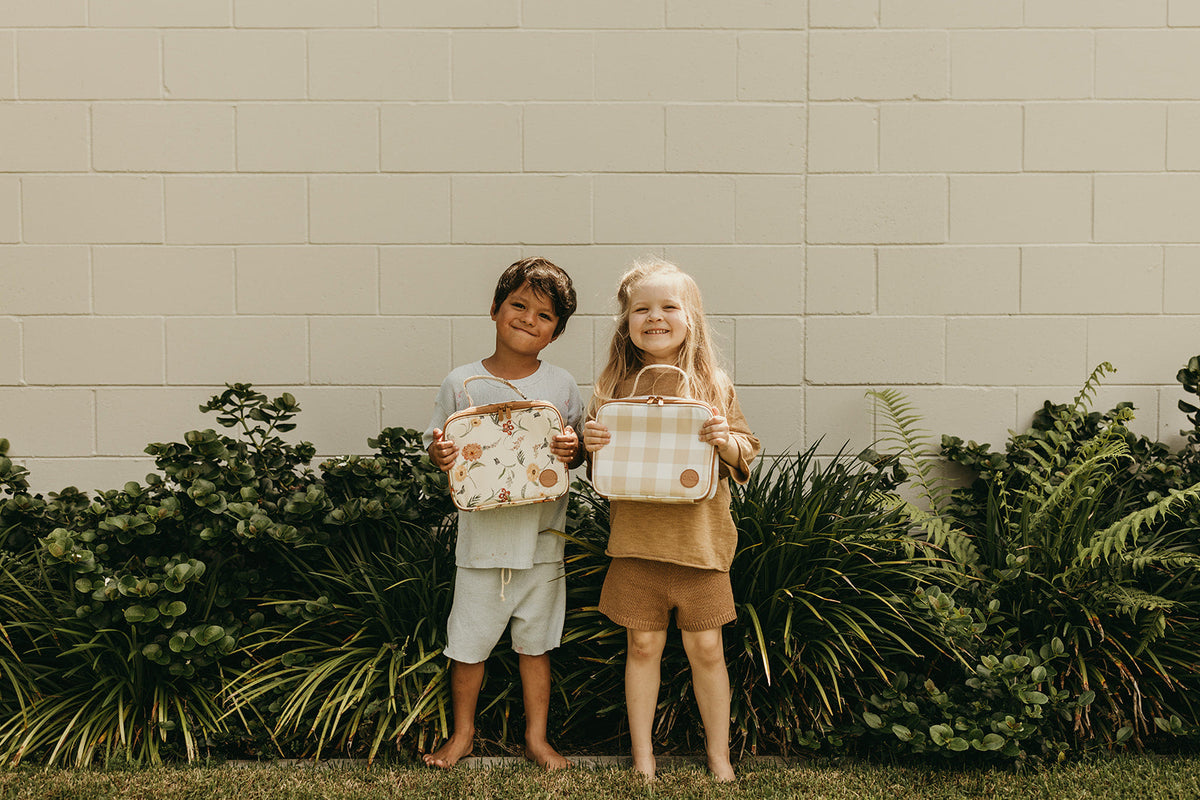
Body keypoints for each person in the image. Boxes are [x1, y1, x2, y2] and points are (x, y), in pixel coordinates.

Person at [582, 258, 760, 782]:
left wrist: (726, 442)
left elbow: (746, 452)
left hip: (701, 545)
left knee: (707, 647)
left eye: (668, 306)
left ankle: (719, 758)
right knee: (642, 645)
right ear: (626, 321)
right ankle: (643, 760)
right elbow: (604, 464)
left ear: (692, 317)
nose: (654, 317)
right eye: (642, 309)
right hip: (637, 543)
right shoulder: (612, 384)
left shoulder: (714, 384)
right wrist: (592, 445)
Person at [422, 257, 584, 770]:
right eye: (519, 305)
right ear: (494, 309)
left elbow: (576, 451)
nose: (528, 319)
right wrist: (441, 456)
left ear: (555, 333)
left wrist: (572, 449)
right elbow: (439, 444)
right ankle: (463, 735)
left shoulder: (562, 385)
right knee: (468, 645)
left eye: (544, 315)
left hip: (542, 540)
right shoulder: (462, 381)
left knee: (536, 646)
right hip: (481, 543)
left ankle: (537, 738)